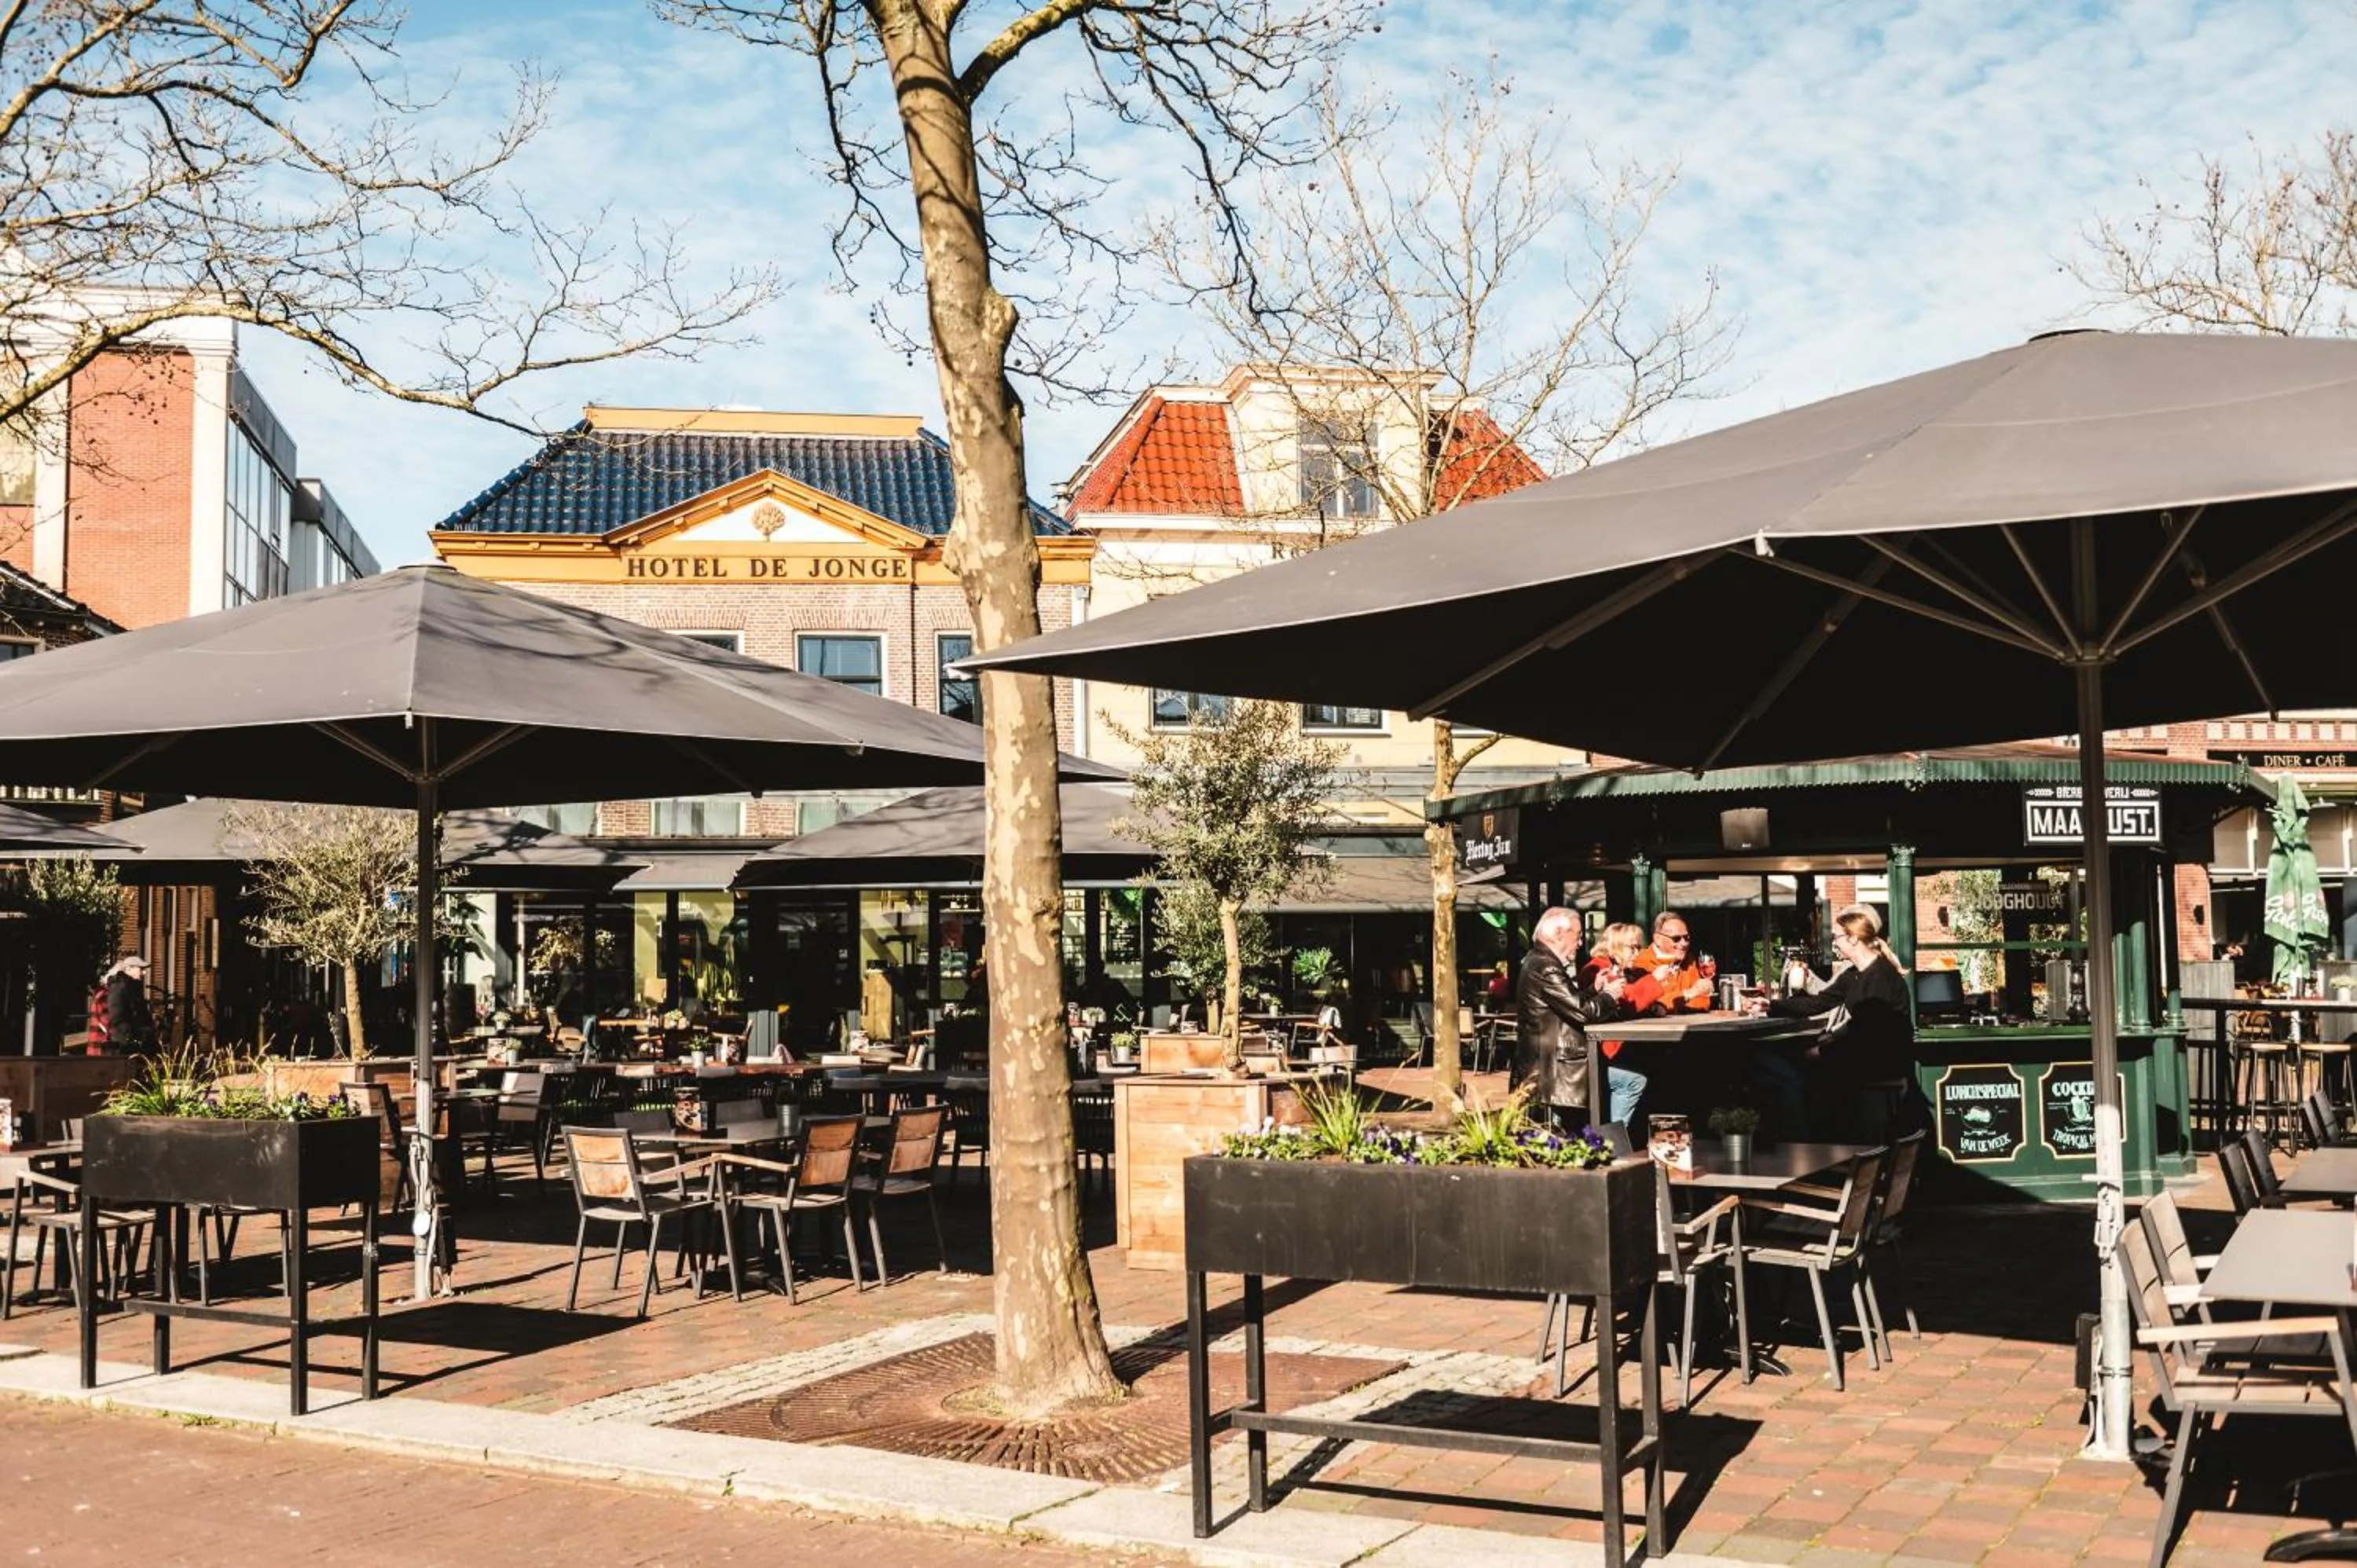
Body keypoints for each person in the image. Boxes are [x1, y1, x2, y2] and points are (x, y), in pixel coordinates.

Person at [1764, 905, 1916, 1141]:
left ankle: (1811, 1143)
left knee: (1794, 1073)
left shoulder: (1880, 978)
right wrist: (1770, 1006)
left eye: (1837, 937)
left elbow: (1867, 1036)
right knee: (1797, 1066)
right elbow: (1819, 1002)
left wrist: (1823, 1051)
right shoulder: (1854, 974)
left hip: (1879, 1065)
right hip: (1863, 1058)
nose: (1834, 943)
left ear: (1853, 938)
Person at [1512, 907, 1622, 1128]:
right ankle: (1616, 1139)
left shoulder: (1539, 961)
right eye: (1578, 935)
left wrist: (1594, 989)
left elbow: (1566, 1005)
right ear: (1558, 933)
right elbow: (1583, 1013)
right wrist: (1610, 996)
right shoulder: (1546, 967)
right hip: (1556, 1075)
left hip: (1550, 1070)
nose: (1580, 943)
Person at [1581, 922, 1658, 1125]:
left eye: (1640, 947)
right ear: (1616, 947)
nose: (1638, 953)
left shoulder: (1629, 970)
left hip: (1621, 1050)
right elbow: (1625, 1004)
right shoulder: (1597, 968)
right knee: (1633, 1080)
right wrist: (1654, 981)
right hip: (1601, 1054)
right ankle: (1614, 1140)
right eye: (1633, 947)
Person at [1628, 910, 1714, 1013]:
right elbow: (1652, 1006)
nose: (1684, 943)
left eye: (1686, 938)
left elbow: (1703, 1000)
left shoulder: (1689, 961)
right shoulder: (1641, 963)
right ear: (1658, 939)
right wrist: (1688, 994)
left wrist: (1677, 1005)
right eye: (1676, 938)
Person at [100, 954, 156, 1057]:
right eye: (141, 969)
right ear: (129, 969)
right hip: (127, 1043)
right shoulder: (120, 987)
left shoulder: (131, 987)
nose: (144, 973)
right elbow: (117, 1017)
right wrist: (133, 1036)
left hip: (135, 1040)